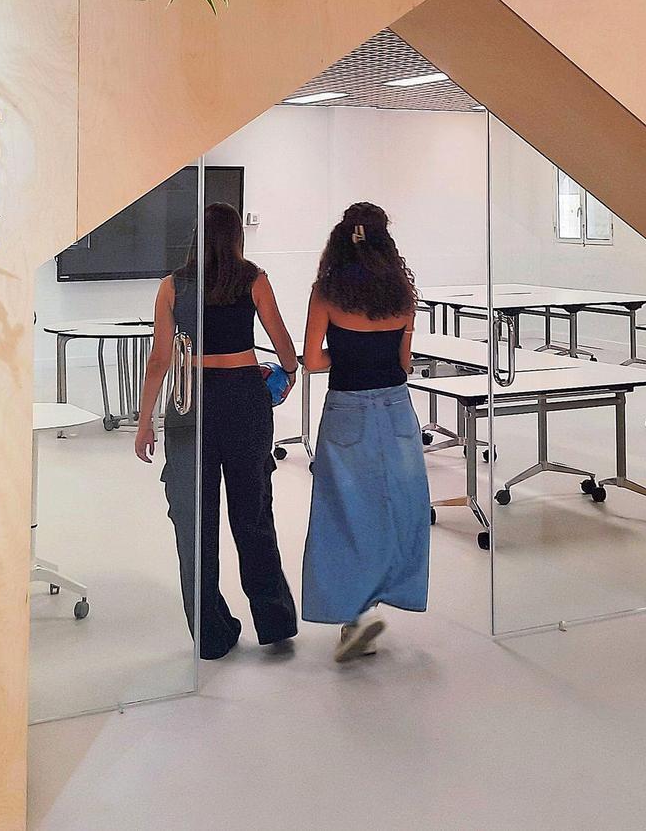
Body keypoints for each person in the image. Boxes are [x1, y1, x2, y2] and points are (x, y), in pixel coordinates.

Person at [135, 202, 299, 660]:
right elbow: (284, 344)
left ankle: (210, 634)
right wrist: (286, 373)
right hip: (245, 399)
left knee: (194, 520)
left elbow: (158, 361)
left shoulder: (172, 287)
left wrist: (146, 421)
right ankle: (275, 621)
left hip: (191, 404)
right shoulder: (253, 279)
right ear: (235, 237)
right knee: (253, 512)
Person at [301, 202, 430, 662]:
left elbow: (313, 361)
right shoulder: (402, 296)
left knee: (343, 512)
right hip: (396, 410)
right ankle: (384, 593)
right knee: (400, 507)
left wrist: (346, 358)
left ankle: (351, 616)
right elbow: (403, 364)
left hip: (346, 412)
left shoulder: (326, 293)